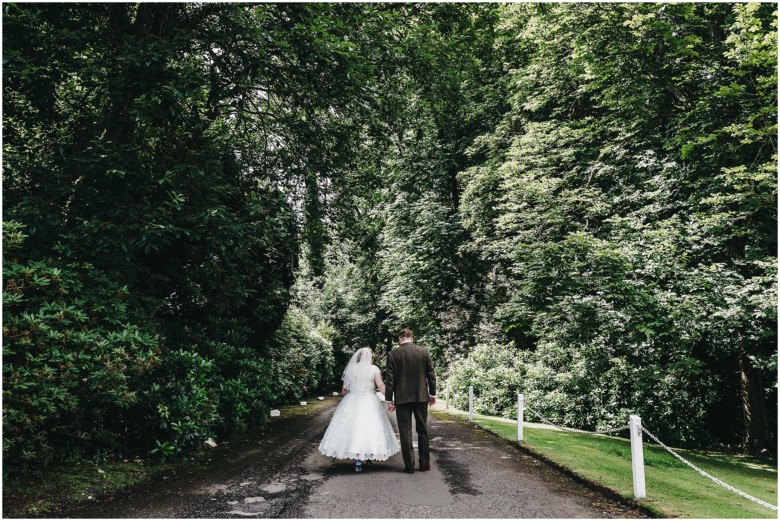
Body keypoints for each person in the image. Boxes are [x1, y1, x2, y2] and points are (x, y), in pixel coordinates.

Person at [319, 347, 400, 471]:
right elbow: (381, 385)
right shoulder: (374, 369)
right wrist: (390, 399)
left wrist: (350, 395)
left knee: (352, 428)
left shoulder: (351, 369)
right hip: (370, 400)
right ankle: (368, 456)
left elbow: (344, 391)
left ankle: (357, 459)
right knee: (369, 428)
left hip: (352, 399)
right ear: (370, 357)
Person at [385, 328, 436, 474]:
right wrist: (432, 394)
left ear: (400, 339)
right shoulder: (423, 351)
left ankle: (409, 466)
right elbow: (431, 375)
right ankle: (424, 463)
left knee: (405, 431)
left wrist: (389, 399)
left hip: (402, 398)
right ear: (411, 337)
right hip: (421, 397)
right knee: (422, 429)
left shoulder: (393, 354)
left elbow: (390, 379)